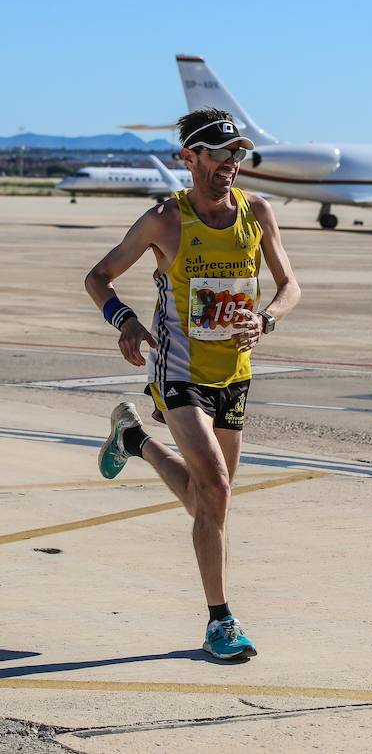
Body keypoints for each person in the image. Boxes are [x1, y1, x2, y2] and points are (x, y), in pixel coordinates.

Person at [85, 107, 301, 660]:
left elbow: (289, 285)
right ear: (191, 158)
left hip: (234, 373)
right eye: (221, 153)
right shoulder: (165, 220)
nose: (233, 163)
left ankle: (135, 441)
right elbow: (98, 277)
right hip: (177, 370)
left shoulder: (259, 213)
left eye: (239, 154)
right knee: (219, 490)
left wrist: (268, 317)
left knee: (212, 501)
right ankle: (219, 622)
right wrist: (126, 322)